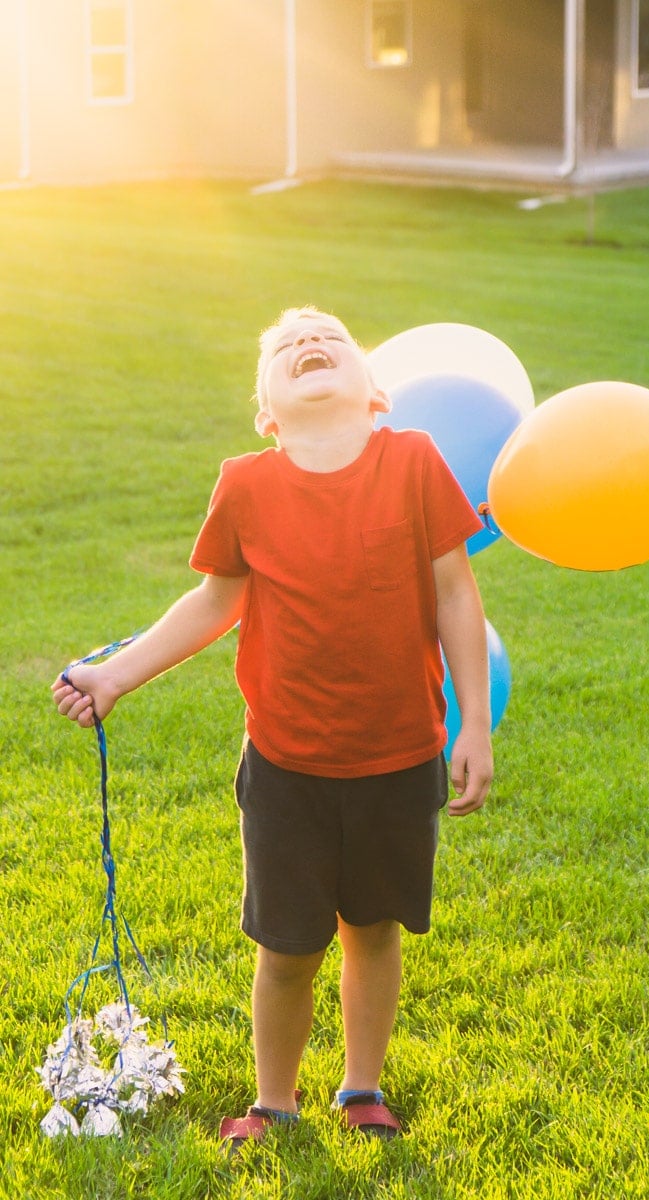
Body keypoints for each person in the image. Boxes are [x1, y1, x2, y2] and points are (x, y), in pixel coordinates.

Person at [52, 306, 493, 1147]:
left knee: (373, 930)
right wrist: (114, 676)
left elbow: (455, 596)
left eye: (328, 336)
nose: (308, 343)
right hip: (286, 763)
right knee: (288, 946)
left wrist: (474, 722)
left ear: (376, 393)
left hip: (398, 758)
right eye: (288, 346)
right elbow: (215, 603)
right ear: (267, 412)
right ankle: (273, 1101)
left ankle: (361, 1087)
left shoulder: (413, 462)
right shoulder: (246, 484)